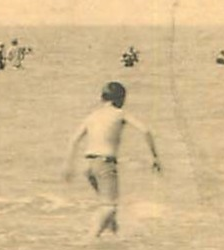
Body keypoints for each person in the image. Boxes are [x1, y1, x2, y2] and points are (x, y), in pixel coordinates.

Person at [64, 81, 161, 236]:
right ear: (121, 100)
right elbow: (146, 130)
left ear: (103, 98)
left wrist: (68, 166)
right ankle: (90, 239)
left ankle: (113, 240)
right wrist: (155, 157)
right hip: (104, 163)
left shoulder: (93, 116)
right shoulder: (120, 113)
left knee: (107, 206)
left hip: (88, 165)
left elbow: (73, 140)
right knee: (110, 207)